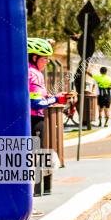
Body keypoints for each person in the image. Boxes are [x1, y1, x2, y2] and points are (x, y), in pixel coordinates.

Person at [28, 38, 74, 195]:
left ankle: (39, 190)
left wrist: (51, 96)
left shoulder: (29, 71)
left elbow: (37, 96)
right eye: (44, 58)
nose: (47, 61)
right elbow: (35, 103)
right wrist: (56, 99)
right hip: (35, 119)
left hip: (31, 119)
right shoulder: (34, 74)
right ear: (34, 57)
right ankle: (39, 191)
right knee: (41, 155)